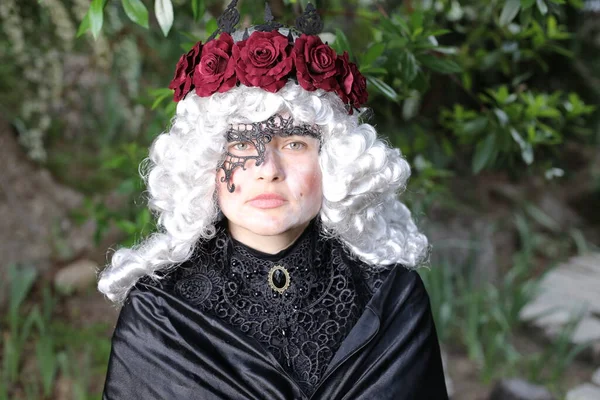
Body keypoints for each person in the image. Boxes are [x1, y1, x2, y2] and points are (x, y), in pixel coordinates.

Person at [98, 2, 449, 399]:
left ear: (334, 161)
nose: (268, 168)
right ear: (206, 164)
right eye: (243, 143)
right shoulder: (159, 315)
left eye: (295, 142)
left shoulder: (392, 301)